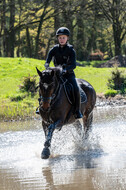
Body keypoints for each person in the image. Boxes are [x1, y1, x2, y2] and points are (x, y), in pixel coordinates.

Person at [37, 27, 82, 119]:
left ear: (67, 38)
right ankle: (40, 106)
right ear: (58, 38)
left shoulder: (71, 50)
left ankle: (77, 110)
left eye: (63, 38)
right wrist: (46, 65)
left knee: (75, 88)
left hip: (68, 74)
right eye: (60, 38)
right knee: (44, 86)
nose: (62, 40)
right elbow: (48, 60)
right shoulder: (54, 49)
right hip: (56, 75)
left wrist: (65, 70)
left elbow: (73, 65)